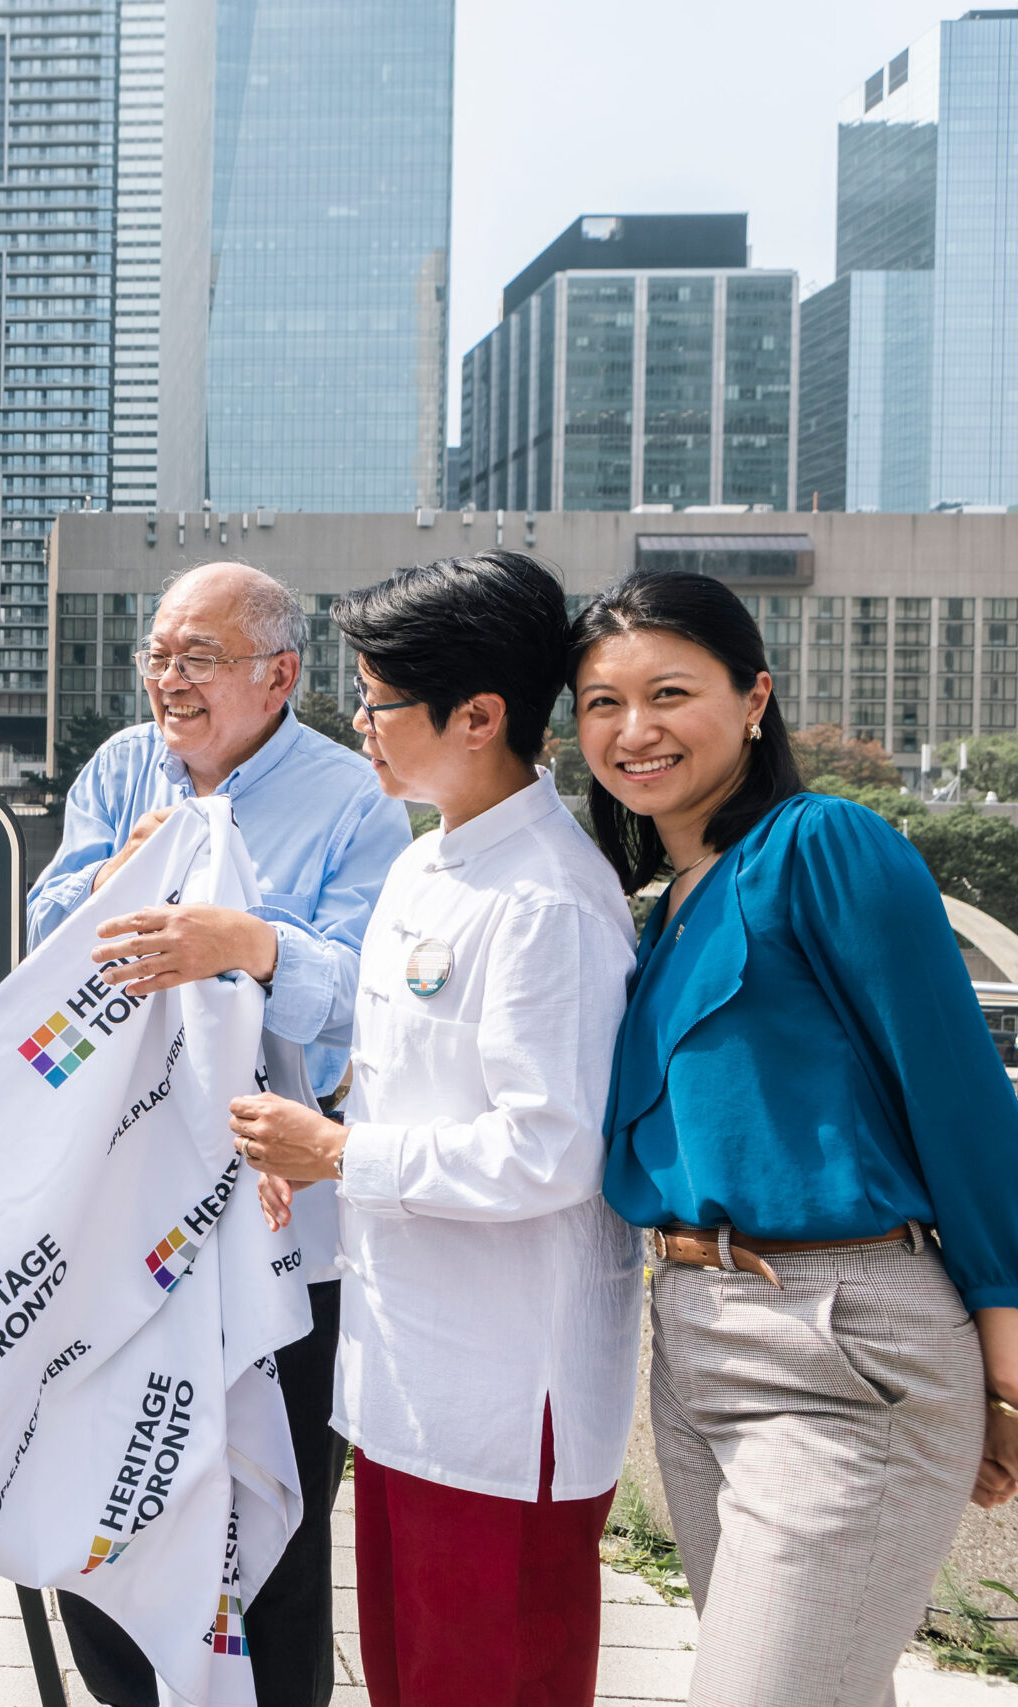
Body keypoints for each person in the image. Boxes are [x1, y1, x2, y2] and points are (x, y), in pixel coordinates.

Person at [571, 571, 1018, 1705]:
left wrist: (1007, 1368)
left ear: (755, 696)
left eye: (670, 692)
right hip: (694, 1342)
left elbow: (959, 1095)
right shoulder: (664, 904)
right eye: (599, 703)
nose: (634, 731)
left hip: (840, 1337)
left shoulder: (824, 844)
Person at [236, 551, 638, 1707]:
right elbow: (396, 1079)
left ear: (479, 715)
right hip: (405, 1377)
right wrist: (315, 1151)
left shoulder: (548, 901)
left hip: (512, 1400)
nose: (356, 724)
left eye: (376, 701)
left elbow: (550, 1150)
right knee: (406, 1683)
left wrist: (341, 1157)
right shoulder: (425, 866)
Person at [28, 561, 409, 1707]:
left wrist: (244, 942)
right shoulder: (118, 769)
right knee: (100, 1492)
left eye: (198, 657)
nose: (168, 681)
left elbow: (356, 1008)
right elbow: (47, 931)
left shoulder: (355, 801)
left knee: (273, 1517)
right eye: (158, 655)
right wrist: (117, 878)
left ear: (278, 674)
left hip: (277, 1214)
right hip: (117, 1205)